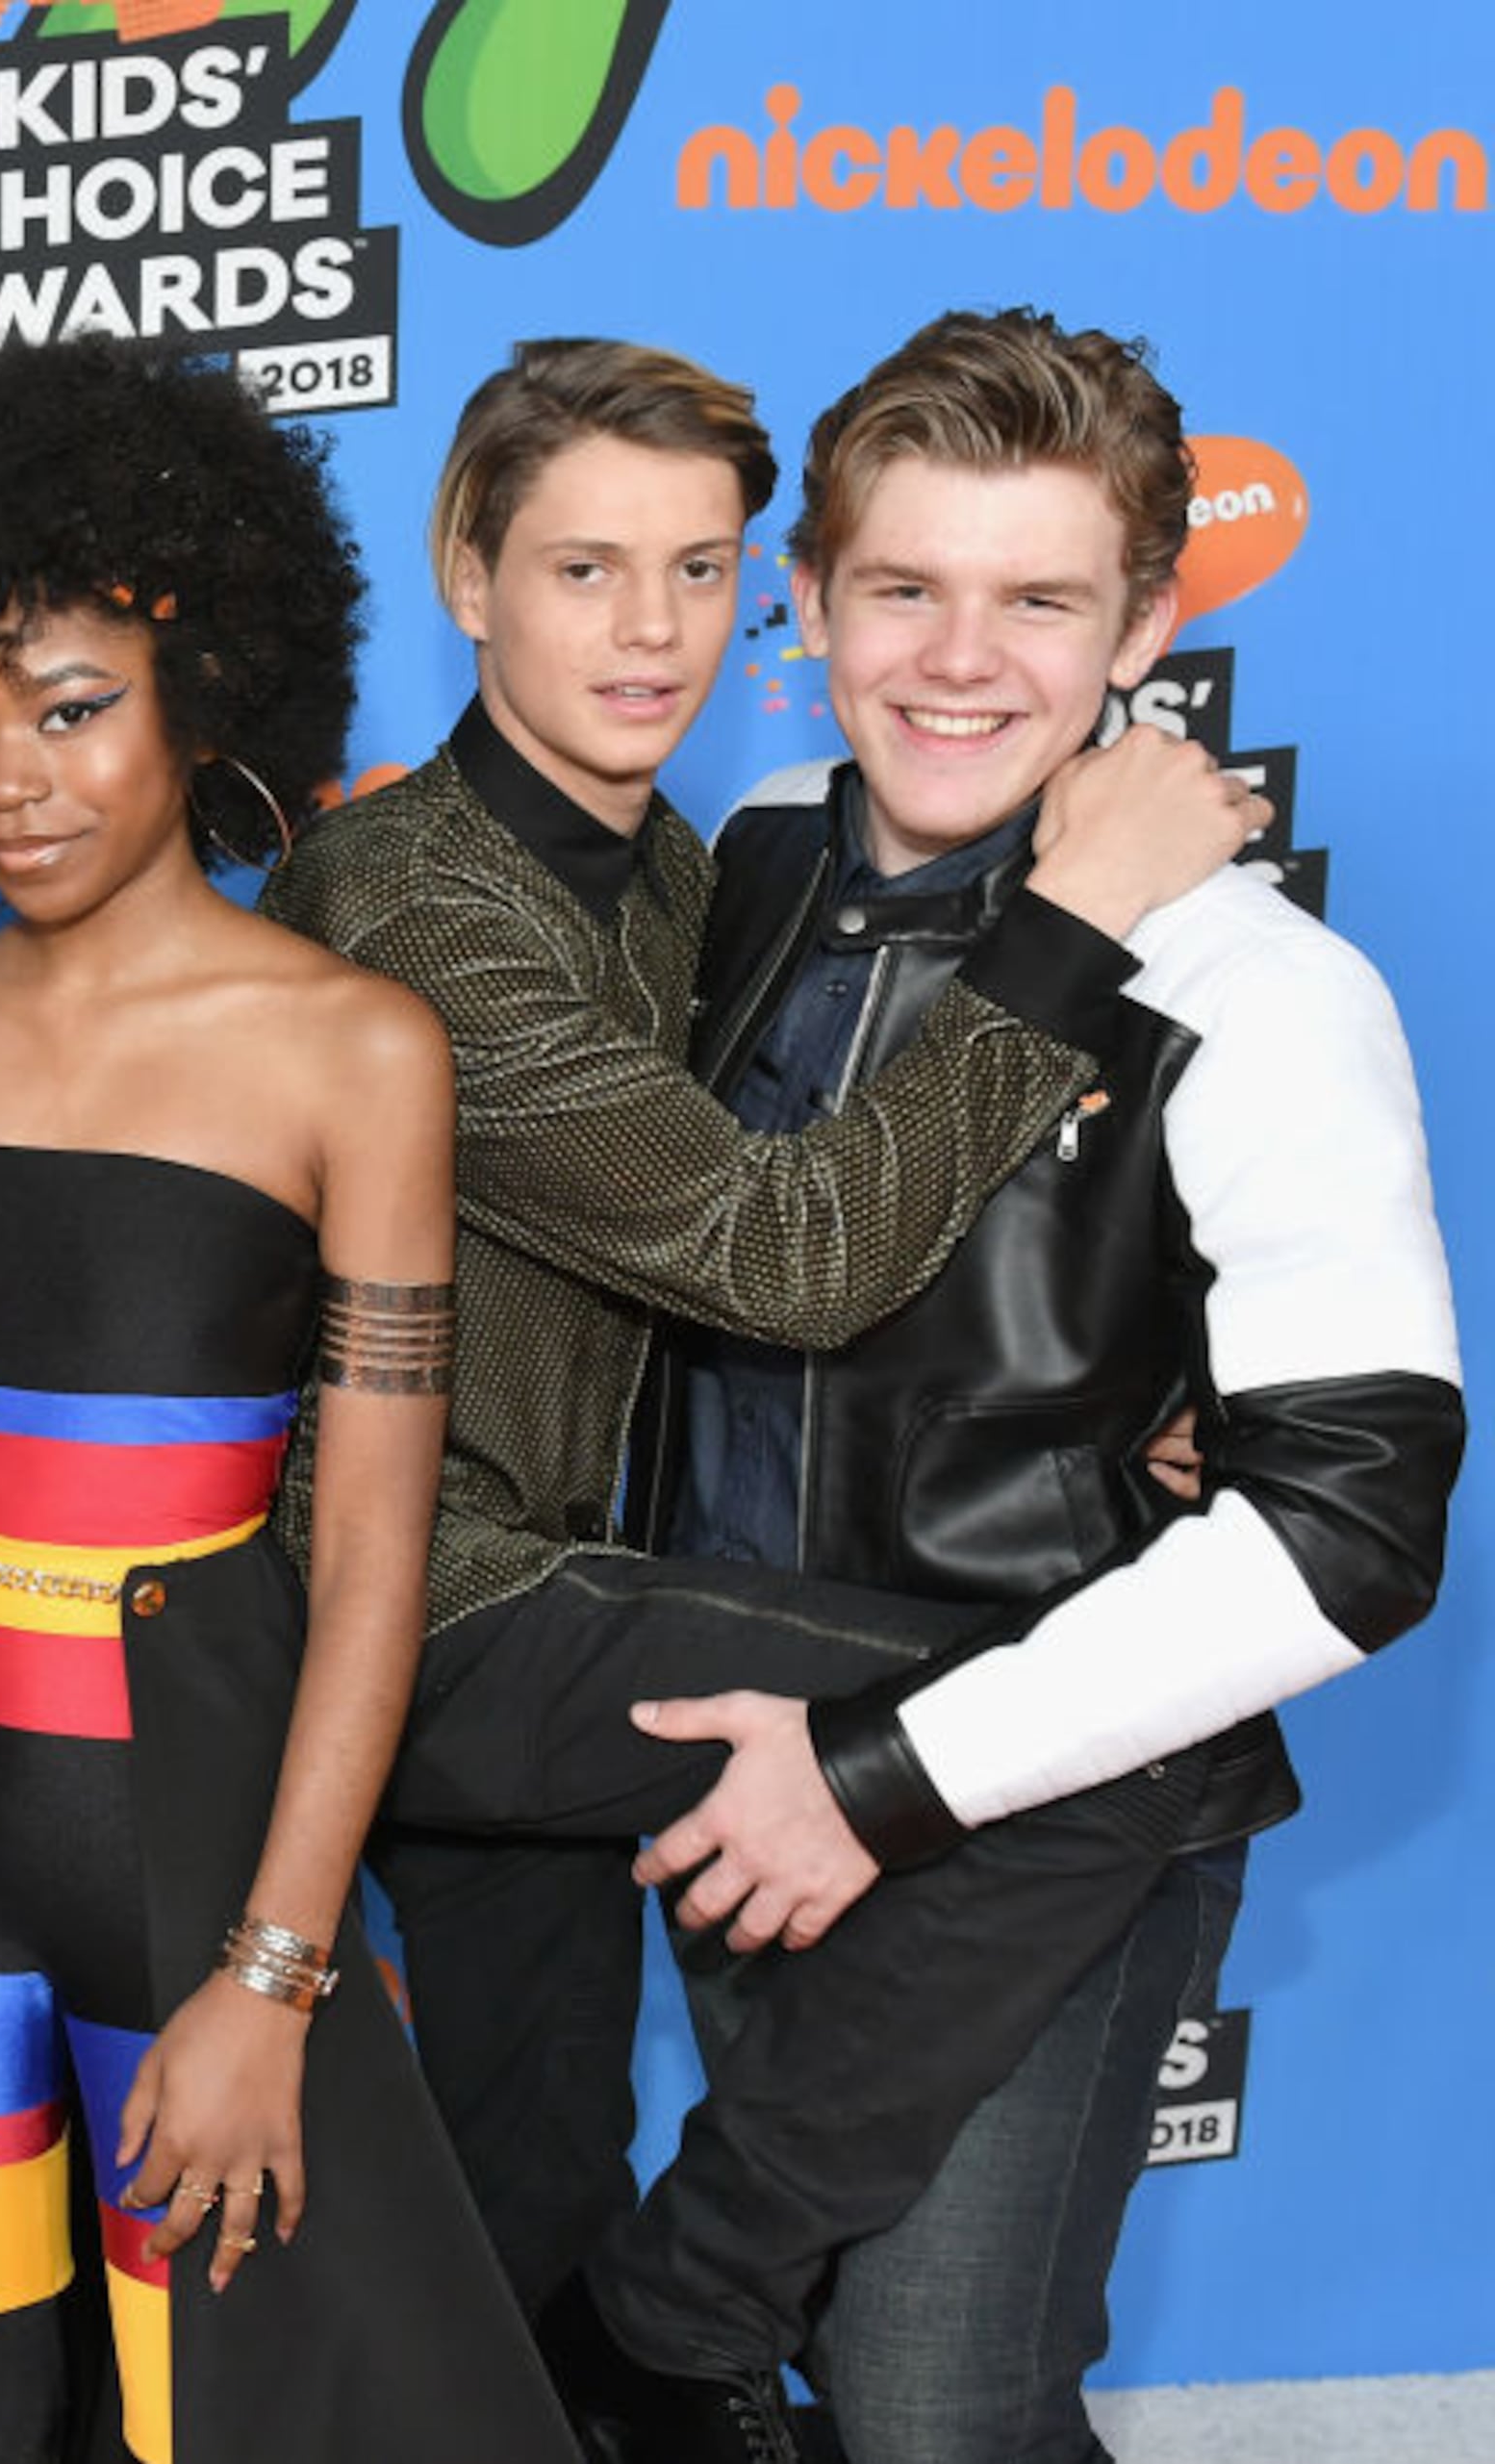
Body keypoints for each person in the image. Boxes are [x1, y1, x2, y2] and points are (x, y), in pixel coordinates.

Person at [260, 336, 1270, 2461]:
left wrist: (1173, 1373)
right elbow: (788, 1253)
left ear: (761, 595)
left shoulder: (718, 873)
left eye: (701, 569)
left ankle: (657, 2328)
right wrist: (1080, 911)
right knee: (1083, 1725)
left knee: (529, 2235)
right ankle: (689, 2297)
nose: (651, 631)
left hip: (581, 1594)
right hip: (430, 1600)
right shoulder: (412, 897)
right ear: (466, 570)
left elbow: (889, 1185)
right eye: (583, 568)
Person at [644, 308, 1460, 2464]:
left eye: (1040, 598)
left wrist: (891, 1774)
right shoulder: (747, 867)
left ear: (1147, 624)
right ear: (804, 602)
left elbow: (1352, 1532)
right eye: (903, 585)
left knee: (936, 2400)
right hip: (731, 1769)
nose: (959, 659)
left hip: (1036, 1815)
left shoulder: (1261, 992)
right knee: (783, 2362)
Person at [0, 336, 573, 2462]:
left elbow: (373, 1557)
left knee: (189, 2412)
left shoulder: (356, 1051)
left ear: (203, 688)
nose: (9, 778)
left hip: (185, 1889)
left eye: (70, 708)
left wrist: (277, 1969)